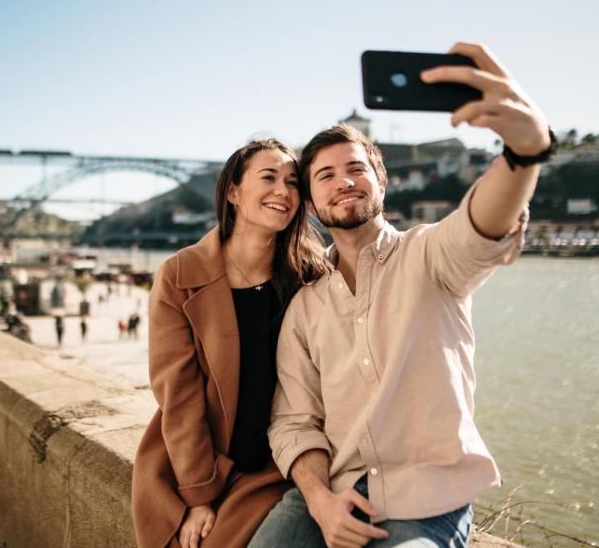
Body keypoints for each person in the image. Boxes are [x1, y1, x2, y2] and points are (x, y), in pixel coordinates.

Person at [250, 43, 554, 548]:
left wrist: (524, 154)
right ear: (310, 202)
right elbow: (294, 422)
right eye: (324, 176)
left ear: (382, 185)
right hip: (328, 491)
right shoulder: (305, 307)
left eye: (356, 169)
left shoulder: (430, 257)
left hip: (427, 502)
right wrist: (320, 500)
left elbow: (482, 225)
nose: (343, 182)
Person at [132, 139, 327, 548]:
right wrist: (199, 496)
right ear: (234, 193)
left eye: (293, 182)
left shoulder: (310, 274)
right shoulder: (180, 274)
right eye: (268, 177)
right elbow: (179, 396)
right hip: (197, 464)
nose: (283, 191)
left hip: (277, 464)